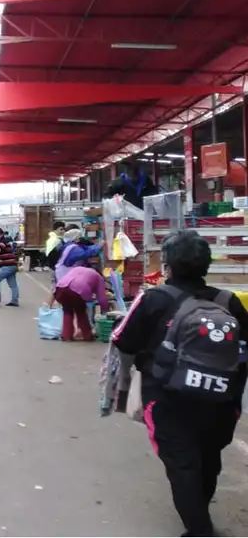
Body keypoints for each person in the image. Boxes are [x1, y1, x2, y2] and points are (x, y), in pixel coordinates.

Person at [112, 230, 248, 537]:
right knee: (208, 456)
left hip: (168, 397)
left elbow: (124, 341)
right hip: (222, 398)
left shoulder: (153, 299)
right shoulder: (229, 302)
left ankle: (200, 529)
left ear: (168, 266)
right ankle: (199, 509)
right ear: (206, 265)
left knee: (181, 463)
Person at [53, 265, 108, 341]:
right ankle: (87, 335)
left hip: (60, 288)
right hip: (77, 290)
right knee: (80, 311)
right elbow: (102, 299)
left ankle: (66, 336)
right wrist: (105, 310)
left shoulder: (78, 268)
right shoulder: (99, 277)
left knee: (67, 310)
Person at [0, 229, 20, 307]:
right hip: (12, 265)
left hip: (8, 266)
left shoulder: (2, 241)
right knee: (13, 284)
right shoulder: (7, 240)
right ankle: (14, 300)